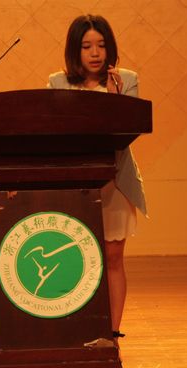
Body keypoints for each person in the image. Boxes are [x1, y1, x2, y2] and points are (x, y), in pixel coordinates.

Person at [47, 14, 148, 342]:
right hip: (74, 184)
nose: (95, 53)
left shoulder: (126, 80)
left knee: (113, 258)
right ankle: (76, 329)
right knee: (76, 259)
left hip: (114, 182)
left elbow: (127, 133)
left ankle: (112, 334)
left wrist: (115, 98)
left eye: (101, 45)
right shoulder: (58, 84)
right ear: (74, 50)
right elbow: (53, 132)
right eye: (87, 46)